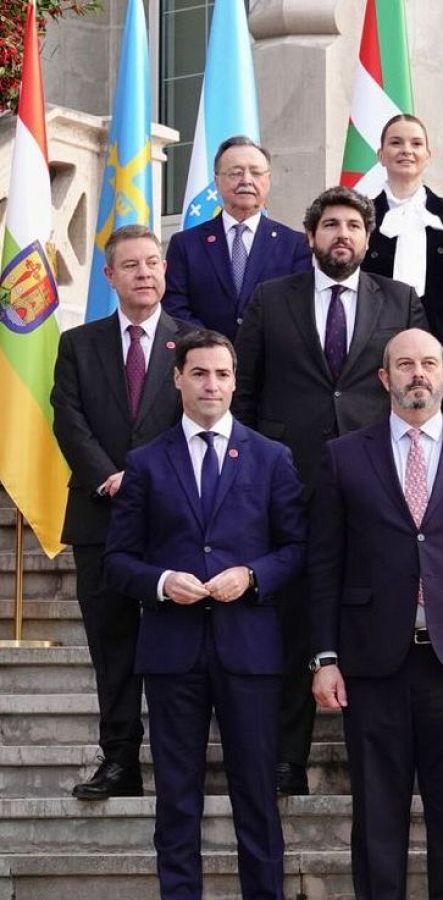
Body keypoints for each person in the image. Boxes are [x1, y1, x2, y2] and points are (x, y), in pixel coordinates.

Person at [308, 329, 443, 900]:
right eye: (405, 365)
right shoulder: (343, 456)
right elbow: (325, 565)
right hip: (372, 664)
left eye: (429, 363)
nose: (418, 374)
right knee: (377, 818)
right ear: (385, 378)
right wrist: (324, 657)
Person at [234, 185, 429, 797]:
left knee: (378, 610)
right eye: (330, 226)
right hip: (291, 483)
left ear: (368, 240)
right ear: (311, 237)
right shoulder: (271, 299)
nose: (341, 235)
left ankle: (394, 754)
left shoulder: (399, 299)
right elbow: (245, 392)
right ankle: (289, 757)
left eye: (352, 226)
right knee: (295, 619)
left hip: (379, 485)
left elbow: (420, 386)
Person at [102, 329, 307, 900]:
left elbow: (296, 549)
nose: (210, 384)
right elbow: (117, 560)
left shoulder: (271, 458)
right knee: (176, 799)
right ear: (177, 379)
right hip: (172, 654)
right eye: (199, 373)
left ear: (236, 381)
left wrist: (253, 575)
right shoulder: (144, 463)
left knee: (257, 799)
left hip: (250, 653)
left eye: (221, 374)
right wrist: (163, 582)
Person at [51, 225, 196, 800]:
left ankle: (176, 761)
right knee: (111, 646)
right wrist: (108, 476)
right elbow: (68, 418)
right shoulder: (78, 343)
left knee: (174, 644)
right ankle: (119, 762)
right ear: (109, 276)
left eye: (153, 263)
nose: (144, 273)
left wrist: (148, 480)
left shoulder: (192, 344)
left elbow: (199, 418)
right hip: (99, 515)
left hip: (174, 517)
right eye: (131, 265)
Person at [162, 136, 312, 338]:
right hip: (206, 362)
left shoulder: (296, 245)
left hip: (271, 363)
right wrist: (213, 349)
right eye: (236, 173)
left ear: (268, 180)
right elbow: (175, 306)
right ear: (216, 181)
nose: (247, 180)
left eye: (256, 173)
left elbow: (299, 308)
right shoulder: (186, 244)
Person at [361, 114, 443, 347]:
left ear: (428, 155)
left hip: (442, 344)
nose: (406, 150)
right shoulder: (361, 216)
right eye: (396, 143)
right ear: (381, 156)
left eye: (416, 143)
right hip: (373, 344)